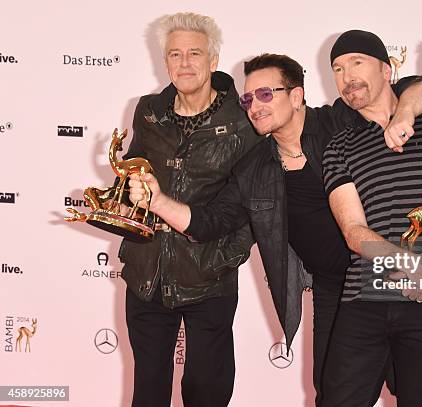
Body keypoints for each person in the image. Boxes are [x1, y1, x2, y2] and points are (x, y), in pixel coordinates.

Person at [128, 52, 422, 405]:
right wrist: (158, 201)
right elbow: (212, 222)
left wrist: (406, 112)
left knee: (417, 392)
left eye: (266, 94)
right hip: (335, 290)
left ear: (297, 96)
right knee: (334, 395)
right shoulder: (254, 168)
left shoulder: (337, 123)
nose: (254, 105)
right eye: (247, 98)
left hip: (391, 275)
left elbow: (420, 86)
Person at [320, 30, 422, 407]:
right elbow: (354, 232)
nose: (346, 76)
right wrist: (413, 266)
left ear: (387, 70)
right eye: (338, 69)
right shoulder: (338, 147)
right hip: (363, 299)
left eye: (357, 63)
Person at [117, 12, 260, 407]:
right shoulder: (148, 110)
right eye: (175, 54)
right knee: (147, 391)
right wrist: (127, 193)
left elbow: (249, 201)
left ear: (214, 60)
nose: (184, 64)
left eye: (194, 53)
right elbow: (134, 168)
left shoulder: (243, 120)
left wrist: (227, 257)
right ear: (164, 61)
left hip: (209, 276)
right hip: (147, 275)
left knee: (206, 391)